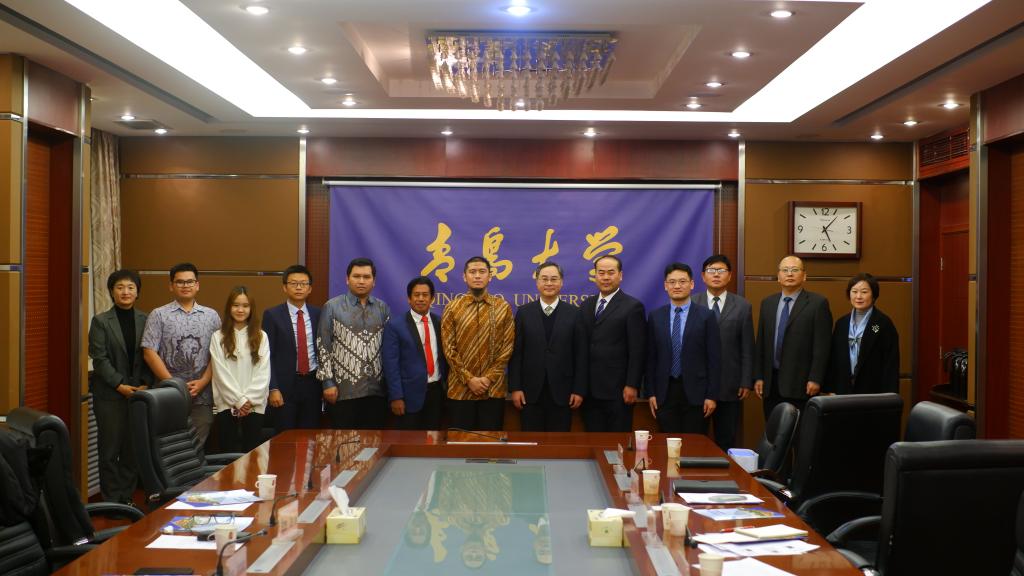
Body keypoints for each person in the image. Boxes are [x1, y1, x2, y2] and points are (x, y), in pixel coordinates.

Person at [87, 269, 151, 504]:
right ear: (112, 292)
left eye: (131, 287)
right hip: (109, 395)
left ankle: (126, 498)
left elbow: (151, 354)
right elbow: (99, 359)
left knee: (132, 449)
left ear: (137, 292)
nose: (125, 292)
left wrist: (146, 383)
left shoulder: (147, 319)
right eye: (120, 287)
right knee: (109, 450)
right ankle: (112, 500)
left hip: (139, 394)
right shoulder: (101, 321)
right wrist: (119, 384)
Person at [141, 263, 221, 445]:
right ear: (171, 286)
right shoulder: (158, 315)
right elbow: (149, 352)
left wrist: (203, 382)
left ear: (197, 285)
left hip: (202, 395)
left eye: (190, 281)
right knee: (170, 446)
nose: (185, 285)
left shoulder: (211, 316)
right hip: (168, 394)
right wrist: (175, 385)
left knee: (197, 446)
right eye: (180, 282)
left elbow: (218, 355)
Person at [508, 261, 586, 431]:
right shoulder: (524, 312)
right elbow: (517, 353)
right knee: (531, 442)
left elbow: (580, 355)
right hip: (529, 393)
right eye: (544, 279)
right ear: (537, 282)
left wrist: (579, 390)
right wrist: (515, 388)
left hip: (563, 392)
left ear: (561, 282)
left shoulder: (575, 313)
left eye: (554, 279)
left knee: (559, 443)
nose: (549, 283)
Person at [645, 263, 721, 433]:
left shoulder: (706, 316)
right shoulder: (656, 316)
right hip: (664, 392)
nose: (677, 286)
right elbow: (651, 358)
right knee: (667, 443)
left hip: (697, 394)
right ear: (665, 285)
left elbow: (714, 359)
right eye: (672, 282)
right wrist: (651, 392)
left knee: (694, 444)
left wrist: (711, 395)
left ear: (692, 284)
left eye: (682, 281)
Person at [753, 255, 832, 419]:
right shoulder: (767, 303)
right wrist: (759, 376)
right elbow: (761, 343)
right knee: (774, 431)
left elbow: (822, 345)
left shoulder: (818, 303)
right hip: (771, 383)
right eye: (785, 270)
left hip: (802, 384)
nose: (789, 274)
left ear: (804, 276)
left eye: (795, 270)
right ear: (778, 276)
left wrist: (816, 378)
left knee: (800, 431)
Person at [441, 256, 515, 431]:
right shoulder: (452, 308)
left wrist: (488, 378)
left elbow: (507, 347)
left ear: (490, 276)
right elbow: (448, 349)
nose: (477, 276)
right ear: (464, 276)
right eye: (472, 272)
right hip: (460, 390)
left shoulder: (503, 307)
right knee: (460, 442)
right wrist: (469, 379)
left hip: (493, 390)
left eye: (482, 272)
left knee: (490, 444)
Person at [316, 257, 391, 429]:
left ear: (374, 281)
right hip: (343, 391)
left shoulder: (382, 308)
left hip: (377, 392)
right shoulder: (332, 307)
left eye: (366, 277)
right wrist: (327, 382)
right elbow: (323, 346)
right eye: (356, 276)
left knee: (374, 441)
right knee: (344, 442)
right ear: (347, 279)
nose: (361, 281)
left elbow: (389, 349)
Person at [692, 255, 754, 450]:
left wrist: (746, 380)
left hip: (730, 383)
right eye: (711, 271)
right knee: (695, 439)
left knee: (726, 439)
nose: (716, 275)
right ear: (703, 276)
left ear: (730, 276)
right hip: (698, 383)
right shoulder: (692, 303)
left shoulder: (742, 306)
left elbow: (747, 346)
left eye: (721, 271)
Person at [580, 255, 646, 432]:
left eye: (611, 272)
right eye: (601, 273)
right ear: (595, 275)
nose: (606, 277)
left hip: (618, 391)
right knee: (592, 441)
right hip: (589, 391)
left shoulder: (632, 306)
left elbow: (637, 350)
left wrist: (632, 384)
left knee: (617, 442)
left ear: (620, 275)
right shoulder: (586, 305)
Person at [263, 265, 323, 432]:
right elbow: (267, 355)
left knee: (310, 436)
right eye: (293, 283)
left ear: (310, 289)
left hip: (312, 384)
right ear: (284, 287)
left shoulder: (319, 314)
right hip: (284, 387)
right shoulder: (272, 315)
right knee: (285, 436)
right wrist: (273, 388)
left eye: (303, 283)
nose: (298, 287)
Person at [210, 286, 270, 453]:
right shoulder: (218, 337)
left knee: (252, 454)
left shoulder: (261, 336)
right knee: (228, 454)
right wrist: (238, 400)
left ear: (251, 309)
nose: (240, 310)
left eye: (245, 306)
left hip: (254, 405)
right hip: (227, 404)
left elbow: (263, 372)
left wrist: (247, 400)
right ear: (229, 308)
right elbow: (220, 373)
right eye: (236, 305)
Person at [382, 276, 447, 430]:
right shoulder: (395, 326)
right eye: (416, 295)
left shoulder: (441, 322)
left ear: (432, 298)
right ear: (409, 299)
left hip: (436, 394)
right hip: (408, 397)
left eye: (425, 295)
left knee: (433, 439)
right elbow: (391, 365)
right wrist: (396, 396)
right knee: (408, 441)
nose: (421, 299)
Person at [826, 273, 900, 395]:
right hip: (843, 390)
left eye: (864, 292)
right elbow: (833, 360)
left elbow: (891, 364)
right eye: (854, 291)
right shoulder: (842, 323)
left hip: (873, 391)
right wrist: (830, 389)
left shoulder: (882, 324)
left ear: (874, 295)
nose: (858, 296)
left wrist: (889, 395)